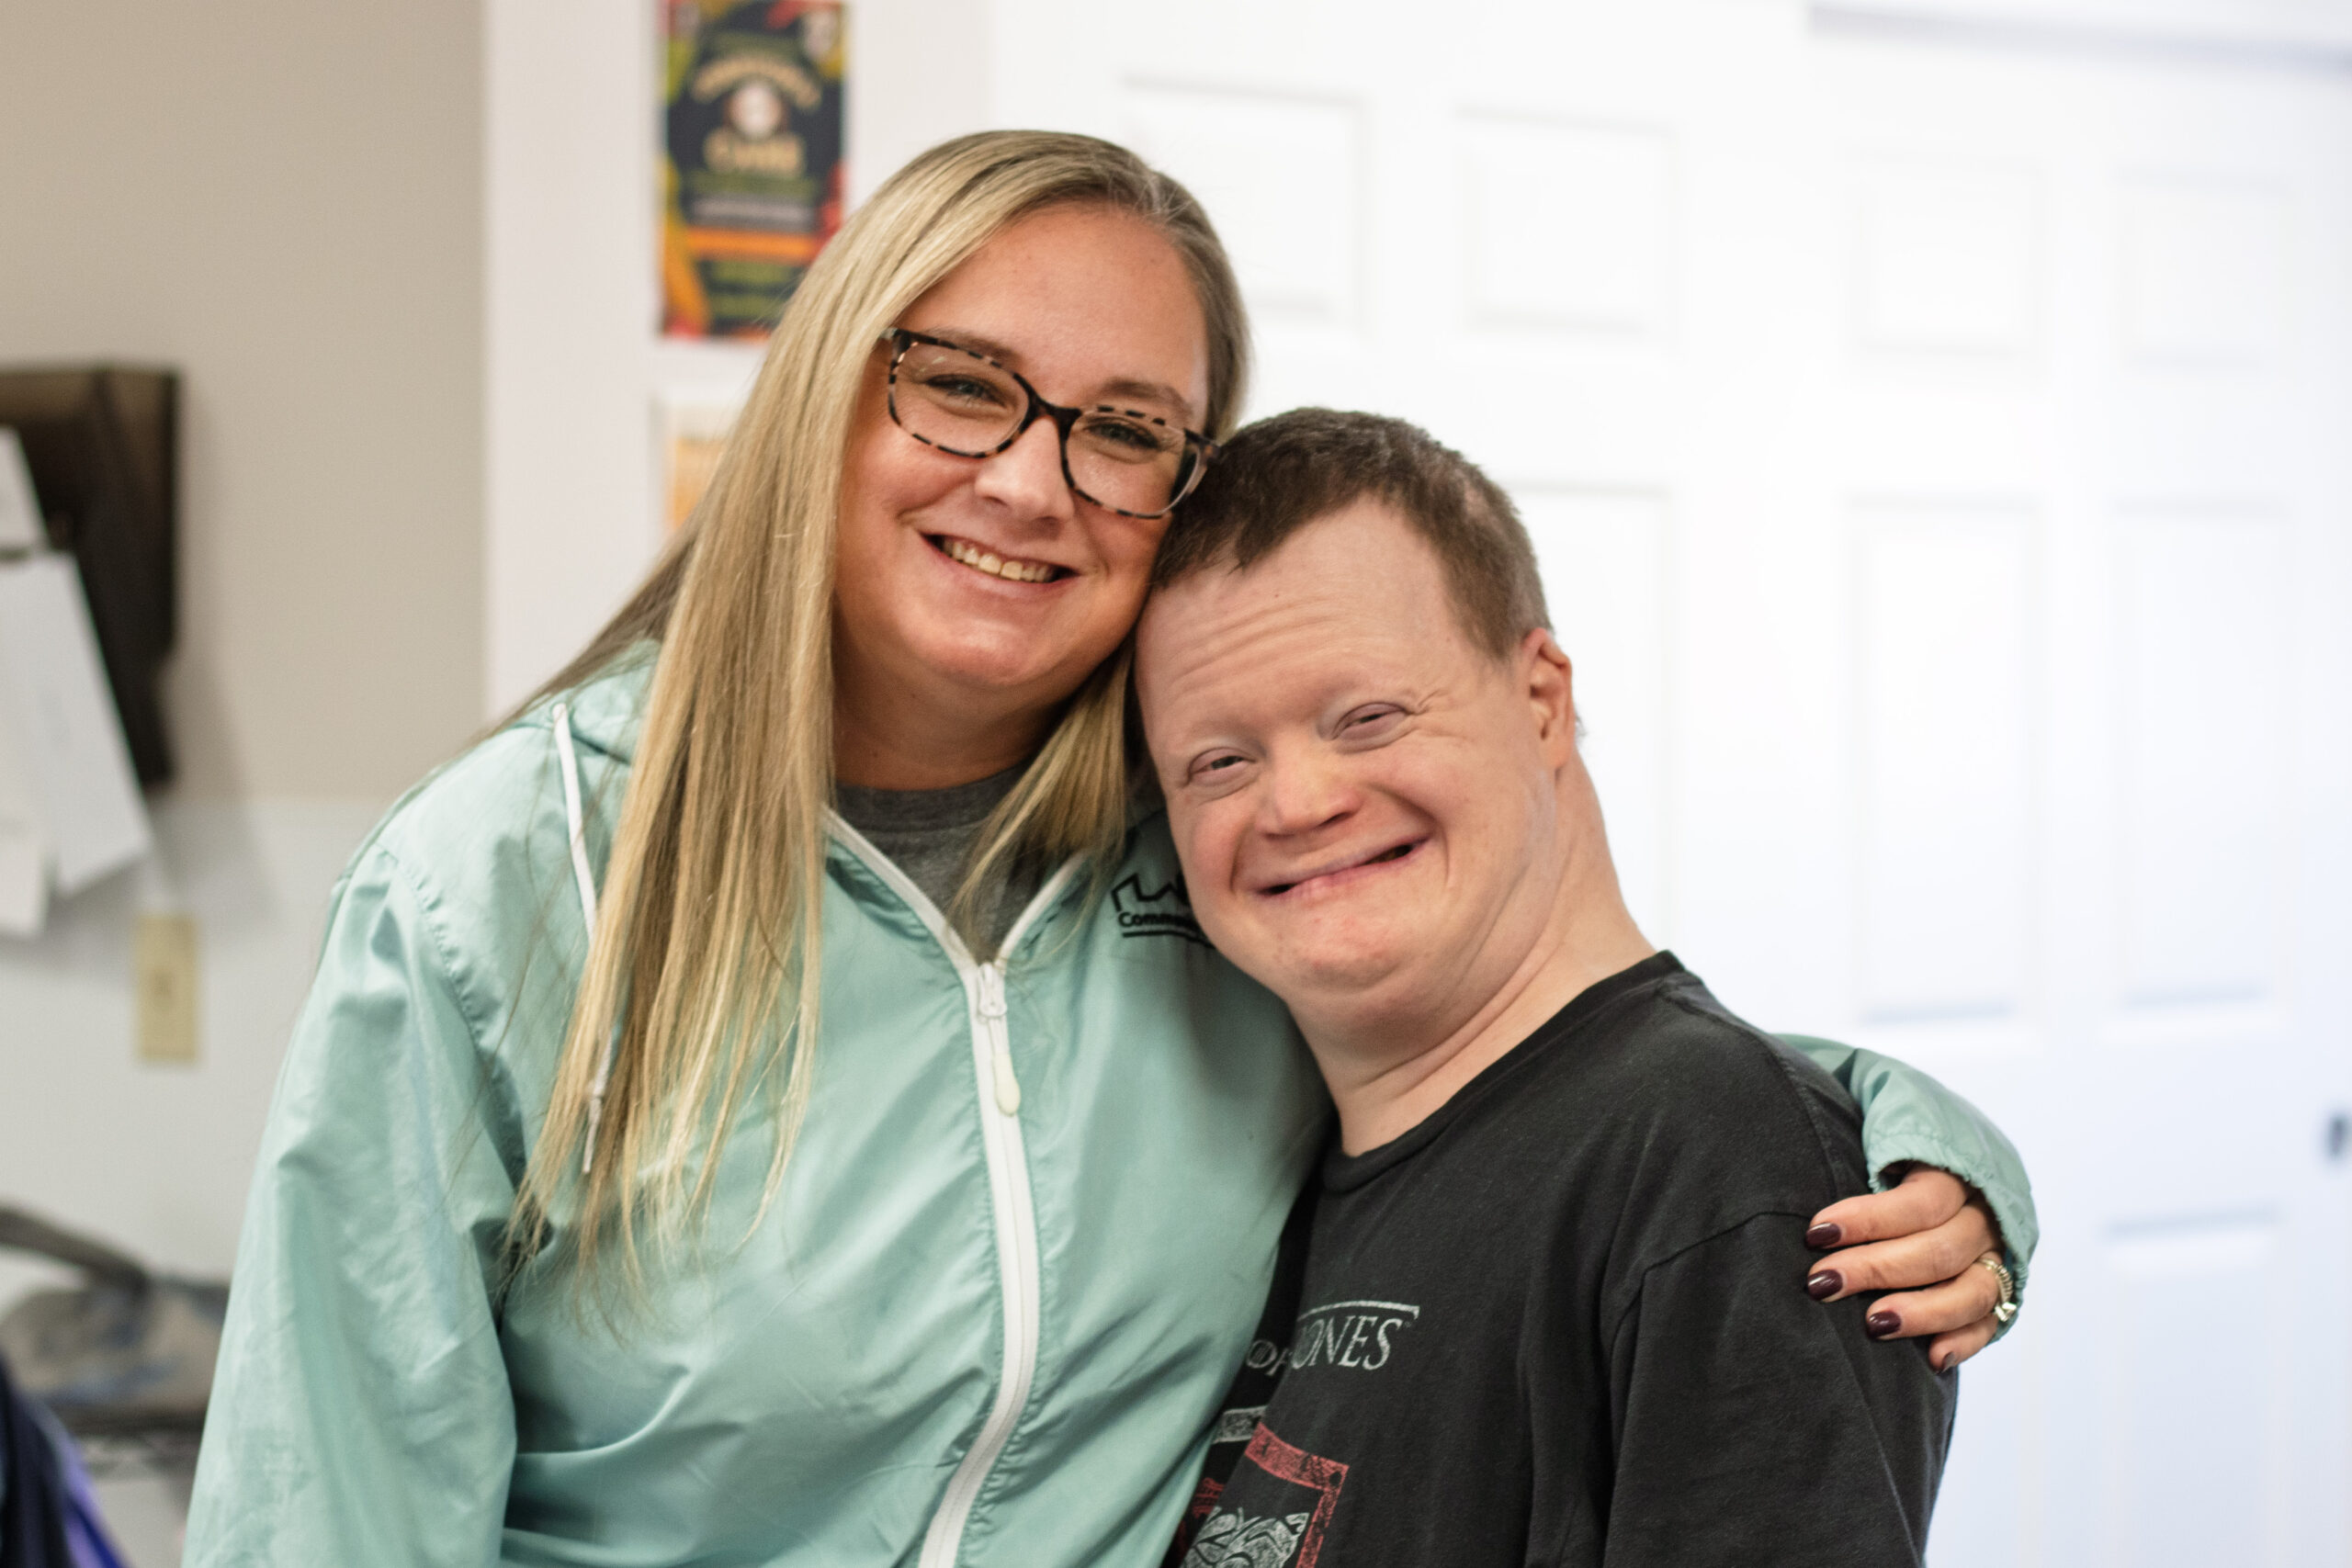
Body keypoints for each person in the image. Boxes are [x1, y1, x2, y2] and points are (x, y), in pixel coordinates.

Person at [183, 132, 2031, 1568]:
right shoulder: (504, 881)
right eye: (961, 382)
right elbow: (325, 1511)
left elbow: (1555, 1072)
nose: (1028, 477)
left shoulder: (1215, 839)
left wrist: (1909, 1132)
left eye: (1122, 427)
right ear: (831, 389)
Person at [1138, 409, 1980, 1565]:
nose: (1293, 804)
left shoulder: (1714, 1163)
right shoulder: (1264, 1167)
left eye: (1368, 717)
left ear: (1539, 698)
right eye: (1218, 762)